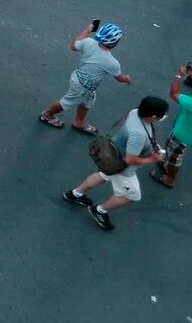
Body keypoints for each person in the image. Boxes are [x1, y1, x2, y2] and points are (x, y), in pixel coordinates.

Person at [61, 96, 169, 231]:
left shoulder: (135, 112)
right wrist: (152, 160)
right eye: (161, 116)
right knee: (132, 195)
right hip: (123, 169)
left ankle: (75, 194)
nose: (163, 117)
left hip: (112, 156)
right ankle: (100, 210)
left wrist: (151, 145)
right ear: (152, 117)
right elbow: (130, 159)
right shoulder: (138, 135)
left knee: (103, 175)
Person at [38, 20, 132, 134]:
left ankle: (79, 122)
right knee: (66, 102)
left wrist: (88, 31)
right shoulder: (112, 63)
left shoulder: (88, 42)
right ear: (115, 43)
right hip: (83, 86)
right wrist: (126, 78)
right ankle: (48, 115)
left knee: (88, 101)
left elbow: (73, 46)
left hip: (79, 78)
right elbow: (119, 78)